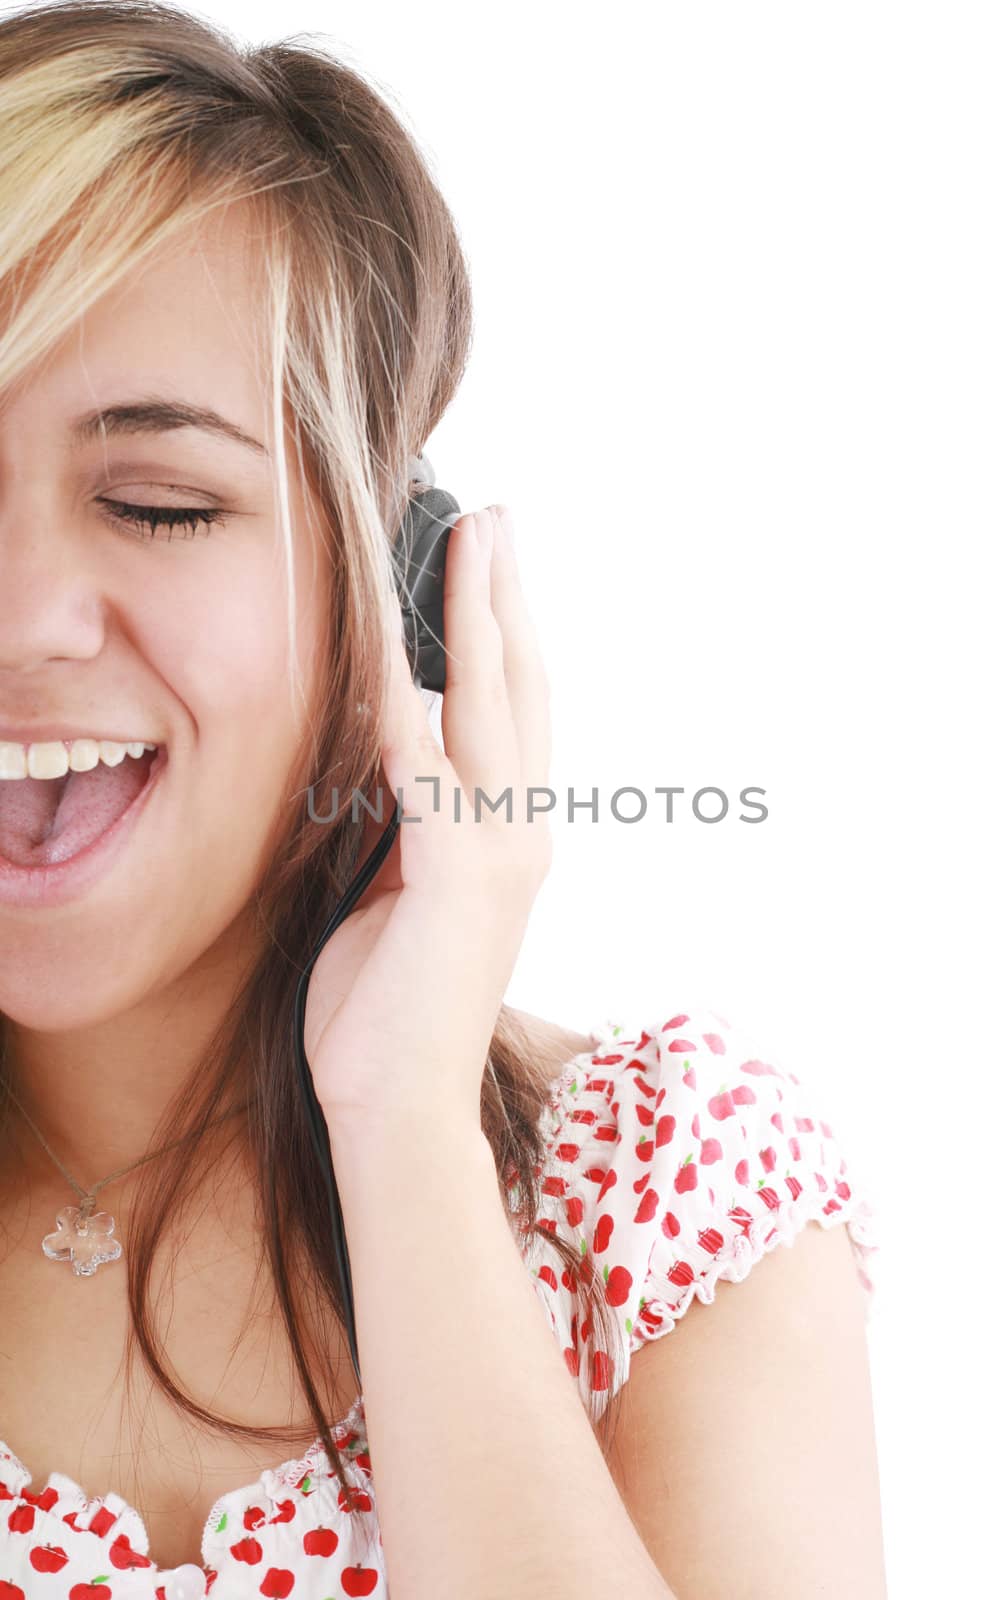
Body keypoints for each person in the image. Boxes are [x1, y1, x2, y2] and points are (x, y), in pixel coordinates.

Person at [0, 3, 886, 1596]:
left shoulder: (665, 1198)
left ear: (394, 603)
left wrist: (403, 1129)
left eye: (155, 503)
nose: (21, 619)